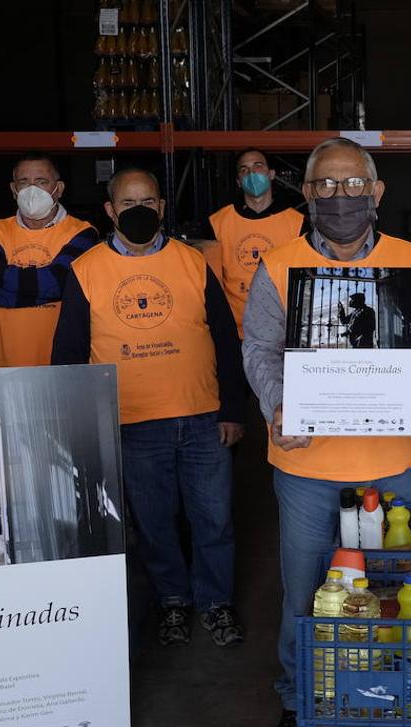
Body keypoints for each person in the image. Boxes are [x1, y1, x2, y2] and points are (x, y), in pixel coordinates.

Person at [242, 137, 411, 727]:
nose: (339, 197)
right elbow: (260, 349)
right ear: (307, 194)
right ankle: (299, 704)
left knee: (394, 589)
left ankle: (388, 696)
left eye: (352, 185)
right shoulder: (278, 264)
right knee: (305, 597)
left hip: (391, 461)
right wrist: (275, 406)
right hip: (306, 466)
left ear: (376, 194)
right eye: (325, 186)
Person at [52, 168, 247, 648]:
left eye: (147, 201)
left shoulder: (193, 262)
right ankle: (174, 602)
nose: (138, 210)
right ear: (110, 210)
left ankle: (215, 601)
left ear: (161, 207)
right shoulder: (86, 270)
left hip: (202, 417)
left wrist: (233, 410)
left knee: (214, 520)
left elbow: (225, 338)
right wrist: (82, 430)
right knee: (155, 523)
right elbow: (70, 353)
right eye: (127, 202)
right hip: (132, 423)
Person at [0, 153, 99, 368]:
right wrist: (48, 288)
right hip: (3, 364)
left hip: (61, 363)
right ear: (14, 189)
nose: (33, 190)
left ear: (58, 188)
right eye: (24, 182)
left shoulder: (83, 233)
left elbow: (59, 285)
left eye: (42, 181)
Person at [205, 148, 306, 339]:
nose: (251, 173)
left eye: (258, 166)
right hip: (235, 333)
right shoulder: (217, 223)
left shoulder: (297, 223)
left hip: (282, 332)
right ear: (238, 181)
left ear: (271, 174)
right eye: (244, 169)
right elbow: (212, 284)